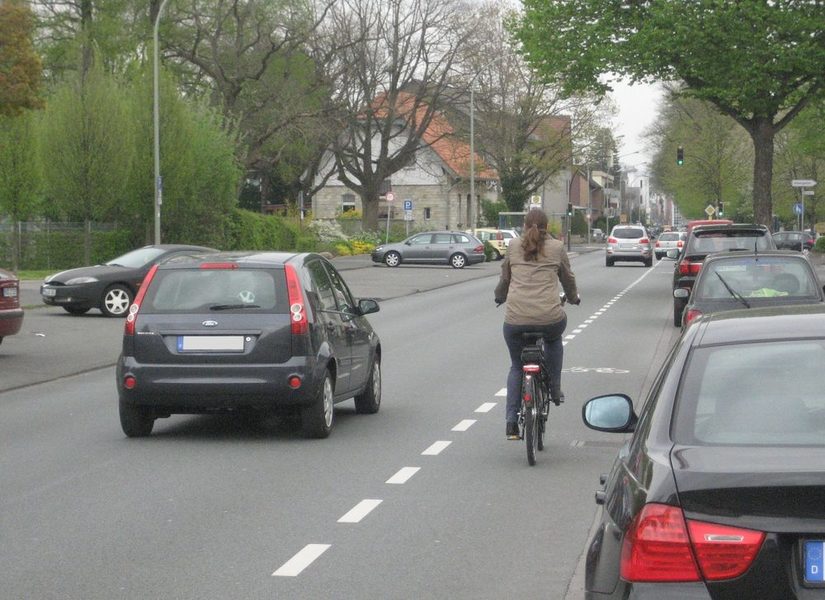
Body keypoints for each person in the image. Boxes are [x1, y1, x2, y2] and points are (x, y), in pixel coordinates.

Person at [494, 209, 580, 440]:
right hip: (549, 317)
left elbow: (505, 277)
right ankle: (553, 388)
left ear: (524, 224)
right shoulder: (556, 248)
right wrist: (572, 298)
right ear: (547, 226)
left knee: (516, 366)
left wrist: (500, 296)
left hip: (515, 320)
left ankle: (511, 422)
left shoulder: (513, 246)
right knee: (554, 339)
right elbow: (567, 278)